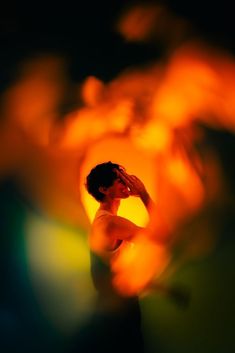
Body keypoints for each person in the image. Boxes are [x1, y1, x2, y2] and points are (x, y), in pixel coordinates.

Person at [84, 161, 154, 353]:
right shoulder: (110, 223)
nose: (126, 182)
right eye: (119, 179)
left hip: (115, 308)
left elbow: (112, 271)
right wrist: (144, 195)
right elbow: (159, 237)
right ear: (104, 189)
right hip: (120, 311)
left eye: (126, 177)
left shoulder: (103, 220)